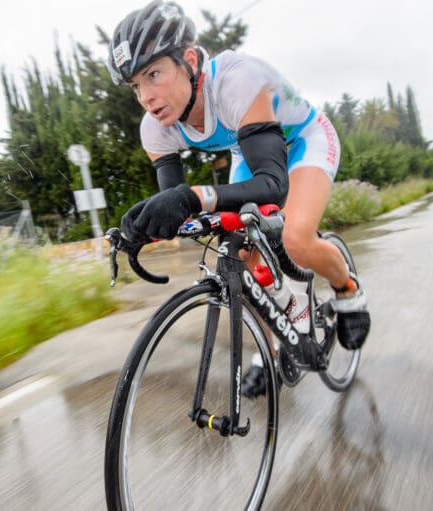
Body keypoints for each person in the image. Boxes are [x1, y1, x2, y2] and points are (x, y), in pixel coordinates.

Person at [107, 0, 370, 398]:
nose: (145, 95)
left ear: (190, 59)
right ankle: (270, 348)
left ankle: (348, 291)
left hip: (303, 140)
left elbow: (271, 185)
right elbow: (177, 206)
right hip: (248, 151)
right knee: (240, 255)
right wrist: (144, 226)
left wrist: (195, 197)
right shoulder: (155, 129)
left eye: (154, 74)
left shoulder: (236, 80)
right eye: (135, 86)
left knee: (297, 237)